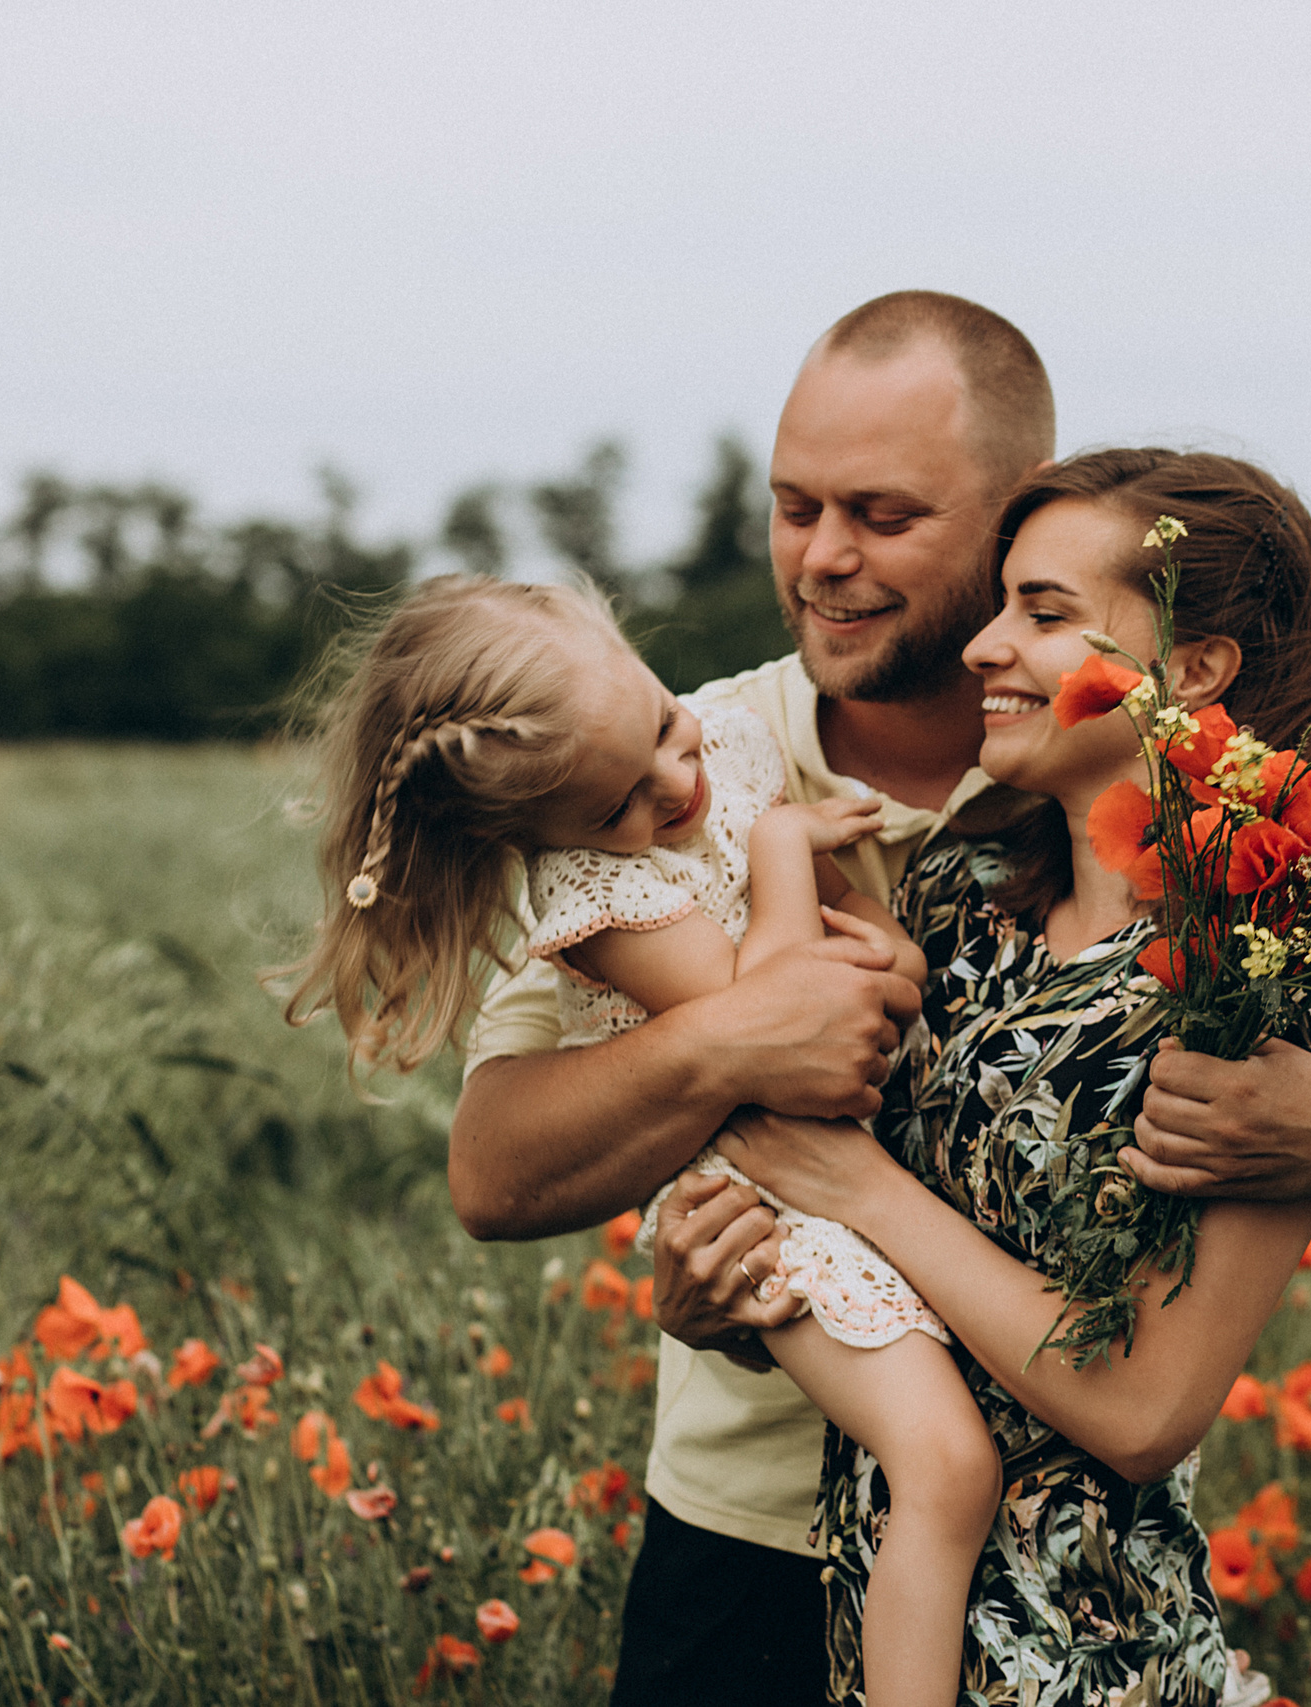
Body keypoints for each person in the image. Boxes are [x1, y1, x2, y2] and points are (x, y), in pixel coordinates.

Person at [448, 292, 1311, 1704]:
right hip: (749, 1535)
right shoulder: (672, 756)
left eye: (883, 515)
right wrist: (736, 1060)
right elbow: (496, 1158)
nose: (824, 557)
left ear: (1012, 521)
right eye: (795, 505)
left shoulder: (1205, 858)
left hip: (1055, 1583)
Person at [279, 573, 1001, 1707]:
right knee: (948, 1467)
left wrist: (881, 963)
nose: (675, 785)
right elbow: (765, 1014)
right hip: (763, 1208)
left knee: (961, 1466)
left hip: (854, 1178)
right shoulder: (599, 892)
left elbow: (863, 966)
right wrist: (777, 857)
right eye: (616, 801)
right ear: (533, 836)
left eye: (665, 724)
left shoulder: (732, 745)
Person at [726, 446, 1311, 1702]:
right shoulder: (960, 900)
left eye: (1046, 614)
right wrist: (732, 1263)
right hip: (874, 1629)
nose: (982, 646)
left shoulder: (1262, 986)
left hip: (1083, 1657)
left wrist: (857, 1189)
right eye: (1002, 601)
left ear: (1191, 672)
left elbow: (1141, 1409)